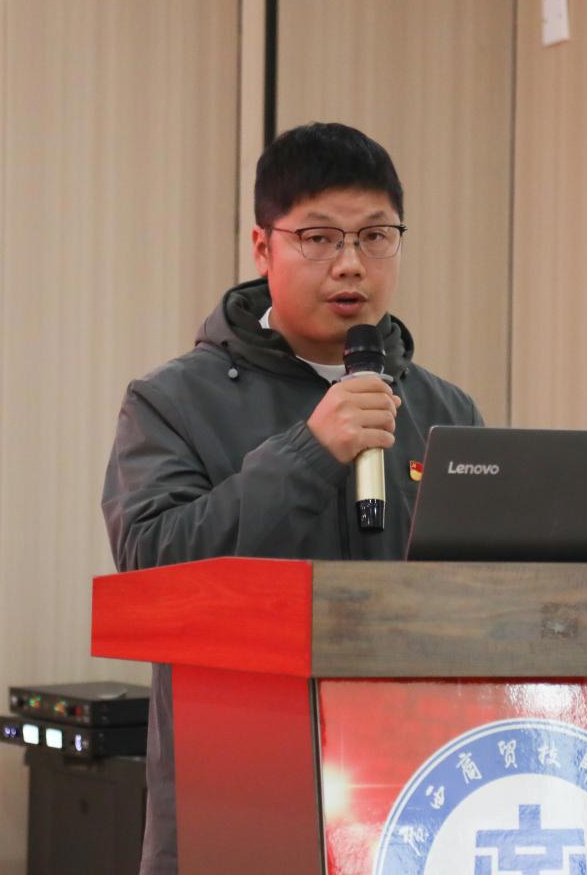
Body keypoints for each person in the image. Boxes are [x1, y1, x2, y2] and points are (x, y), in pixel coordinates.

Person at [101, 121, 483, 875]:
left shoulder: (446, 412)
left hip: (413, 792)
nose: (351, 263)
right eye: (319, 237)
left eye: (376, 236)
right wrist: (309, 453)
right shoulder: (172, 401)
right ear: (262, 246)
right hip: (238, 792)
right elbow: (151, 568)